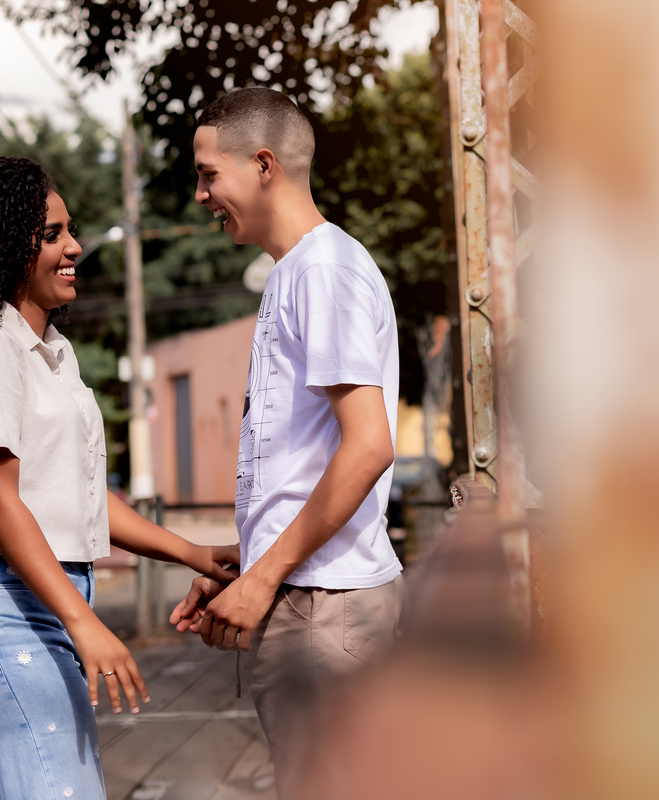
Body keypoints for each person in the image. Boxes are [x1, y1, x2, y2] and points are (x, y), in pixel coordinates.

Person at [0, 156, 239, 800]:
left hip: (41, 608)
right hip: (5, 615)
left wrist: (190, 552)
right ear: (7, 249)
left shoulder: (54, 355)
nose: (74, 247)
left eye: (71, 230)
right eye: (53, 235)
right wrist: (85, 624)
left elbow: (79, 497)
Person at [169, 88, 403, 797]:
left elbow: (368, 446)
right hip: (311, 599)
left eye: (210, 173)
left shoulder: (323, 271)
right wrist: (247, 568)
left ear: (264, 164)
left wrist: (266, 579)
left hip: (321, 608)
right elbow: (307, 459)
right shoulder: (296, 272)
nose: (202, 194)